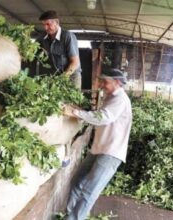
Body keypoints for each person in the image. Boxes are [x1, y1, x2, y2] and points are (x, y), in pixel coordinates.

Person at [63, 68, 132, 220]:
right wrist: (81, 111)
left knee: (89, 191)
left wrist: (75, 113)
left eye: (105, 82)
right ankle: (68, 214)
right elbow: (98, 116)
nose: (101, 85)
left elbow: (103, 117)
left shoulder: (120, 99)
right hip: (98, 149)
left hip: (111, 153)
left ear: (118, 83)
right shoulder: (110, 97)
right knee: (77, 182)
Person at [37, 10, 82, 89]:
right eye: (43, 25)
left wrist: (62, 79)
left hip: (71, 77)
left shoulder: (67, 36)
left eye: (48, 24)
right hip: (54, 77)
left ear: (57, 22)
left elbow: (75, 62)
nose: (45, 27)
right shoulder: (42, 38)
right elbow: (33, 50)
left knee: (69, 100)